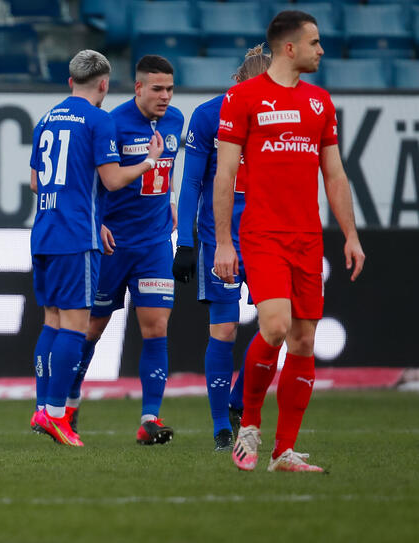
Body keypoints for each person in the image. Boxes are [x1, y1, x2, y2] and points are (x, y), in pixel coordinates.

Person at [216, 10, 364, 472]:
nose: (322, 51)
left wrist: (351, 236)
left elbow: (335, 175)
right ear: (289, 47)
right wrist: (223, 242)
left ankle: (284, 452)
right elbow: (224, 175)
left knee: (303, 340)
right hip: (261, 234)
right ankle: (250, 425)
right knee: (276, 326)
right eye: (315, 42)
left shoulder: (321, 103)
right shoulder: (242, 99)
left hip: (307, 238)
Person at [27, 50, 162, 446]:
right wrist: (150, 161)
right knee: (74, 325)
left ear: (71, 81)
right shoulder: (100, 119)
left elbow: (36, 182)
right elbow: (114, 179)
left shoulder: (47, 118)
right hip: (76, 234)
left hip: (45, 231)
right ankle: (55, 415)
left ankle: (42, 408)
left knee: (52, 320)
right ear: (104, 84)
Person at [64, 55, 184, 445]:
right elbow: (92, 179)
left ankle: (150, 418)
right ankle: (69, 401)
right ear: (138, 88)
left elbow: (164, 169)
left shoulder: (176, 121)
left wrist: (167, 199)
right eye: (156, 89)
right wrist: (96, 223)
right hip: (113, 243)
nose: (164, 96)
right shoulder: (112, 122)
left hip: (154, 242)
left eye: (169, 88)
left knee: (157, 326)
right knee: (92, 329)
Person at [174, 46, 271, 451]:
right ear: (237, 83)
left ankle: (235, 399)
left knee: (275, 328)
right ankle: (220, 427)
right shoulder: (208, 115)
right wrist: (185, 242)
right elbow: (193, 182)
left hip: (268, 233)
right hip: (221, 236)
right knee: (225, 328)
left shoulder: (280, 113)